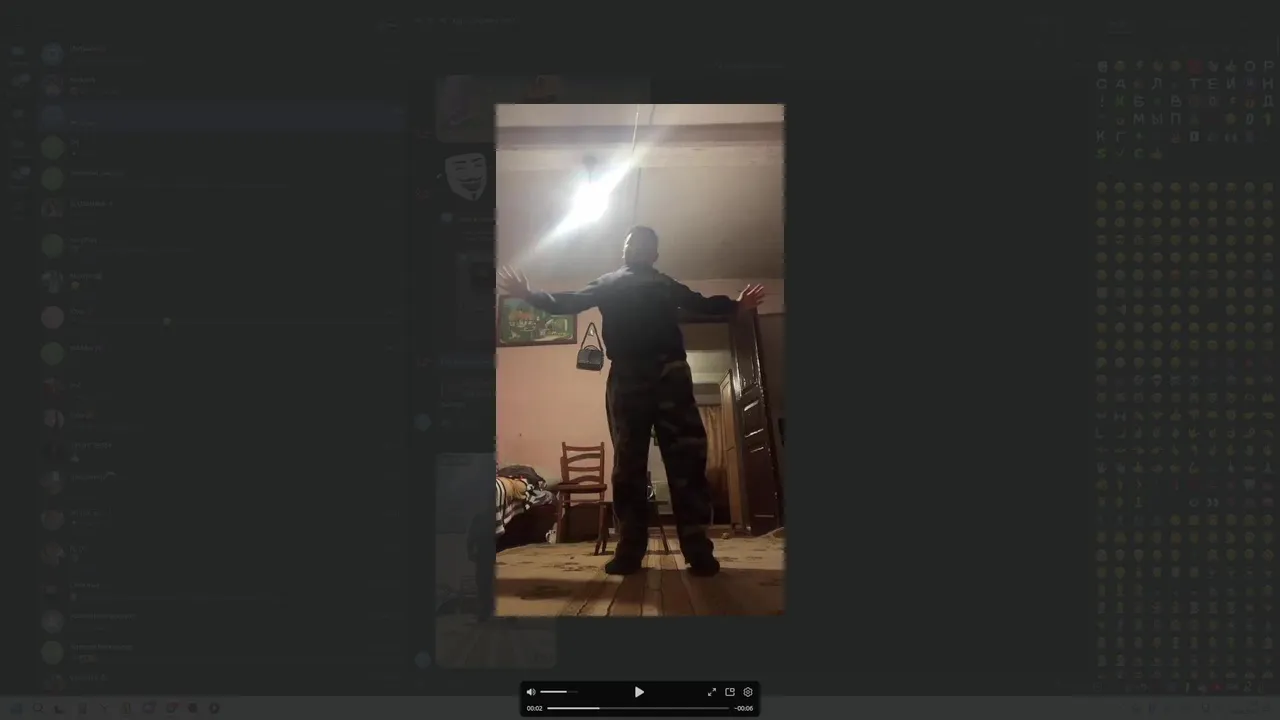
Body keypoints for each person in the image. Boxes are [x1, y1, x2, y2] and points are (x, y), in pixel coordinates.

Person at [497, 226, 766, 577]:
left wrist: (737, 306)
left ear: (654, 255)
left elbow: (700, 303)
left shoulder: (664, 283)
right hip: (628, 376)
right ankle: (630, 549)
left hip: (669, 375)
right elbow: (570, 302)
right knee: (629, 465)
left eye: (642, 245)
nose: (635, 248)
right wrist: (528, 294)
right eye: (630, 243)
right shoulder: (610, 282)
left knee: (686, 461)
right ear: (624, 251)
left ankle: (698, 549)